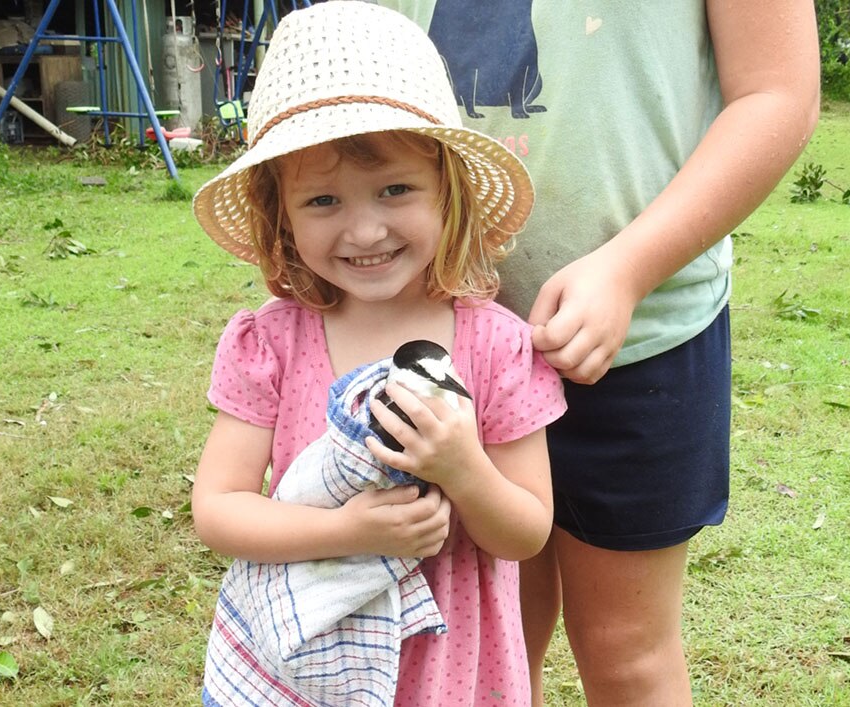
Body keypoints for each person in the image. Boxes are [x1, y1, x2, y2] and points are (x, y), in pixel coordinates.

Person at [378, 1, 822, 704]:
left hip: (640, 341)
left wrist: (629, 268)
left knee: (627, 654)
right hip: (444, 345)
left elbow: (777, 89)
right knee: (480, 642)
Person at [189, 3, 567, 705]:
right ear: (281, 216)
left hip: (451, 670)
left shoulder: (496, 346)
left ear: (448, 190)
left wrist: (463, 468)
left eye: (396, 189)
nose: (365, 229)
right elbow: (217, 507)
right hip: (310, 658)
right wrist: (343, 531)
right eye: (324, 200)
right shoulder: (272, 343)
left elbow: (528, 530)